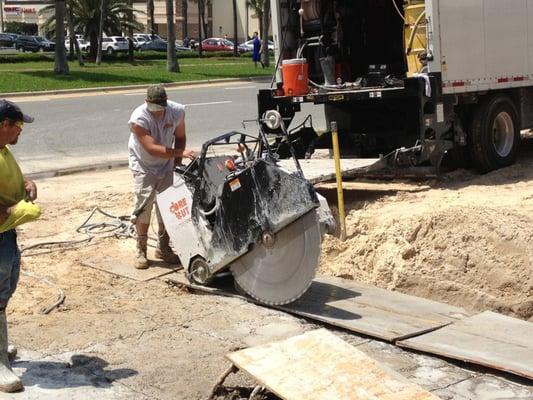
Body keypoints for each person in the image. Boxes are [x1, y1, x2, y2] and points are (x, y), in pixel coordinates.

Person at [128, 85, 195, 270]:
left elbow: (180, 136)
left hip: (167, 162)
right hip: (144, 165)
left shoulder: (176, 111)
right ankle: (141, 249)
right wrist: (180, 152)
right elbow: (151, 148)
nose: (158, 112)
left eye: (161, 107)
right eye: (154, 108)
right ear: (146, 103)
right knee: (144, 207)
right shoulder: (138, 119)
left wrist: (177, 163)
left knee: (167, 206)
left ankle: (163, 247)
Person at [0, 100, 41, 393]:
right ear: (4, 125)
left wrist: (26, 184)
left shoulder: (3, 151)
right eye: (19, 126)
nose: (20, 131)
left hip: (6, 235)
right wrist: (16, 210)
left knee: (5, 290)